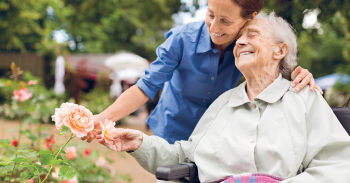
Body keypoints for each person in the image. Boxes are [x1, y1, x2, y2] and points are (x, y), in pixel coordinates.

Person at [97, 12, 350, 183]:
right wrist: (140, 143)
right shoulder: (223, 103)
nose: (240, 42)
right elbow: (185, 156)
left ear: (280, 50)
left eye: (252, 35)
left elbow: (336, 165)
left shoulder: (304, 99)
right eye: (239, 38)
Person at [83, 0, 322, 144]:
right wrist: (101, 119)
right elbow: (145, 87)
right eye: (210, 14)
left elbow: (275, 66)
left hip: (216, 136)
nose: (214, 28)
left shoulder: (248, 46)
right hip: (171, 131)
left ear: (250, 18)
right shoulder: (181, 40)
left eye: (226, 22)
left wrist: (298, 75)